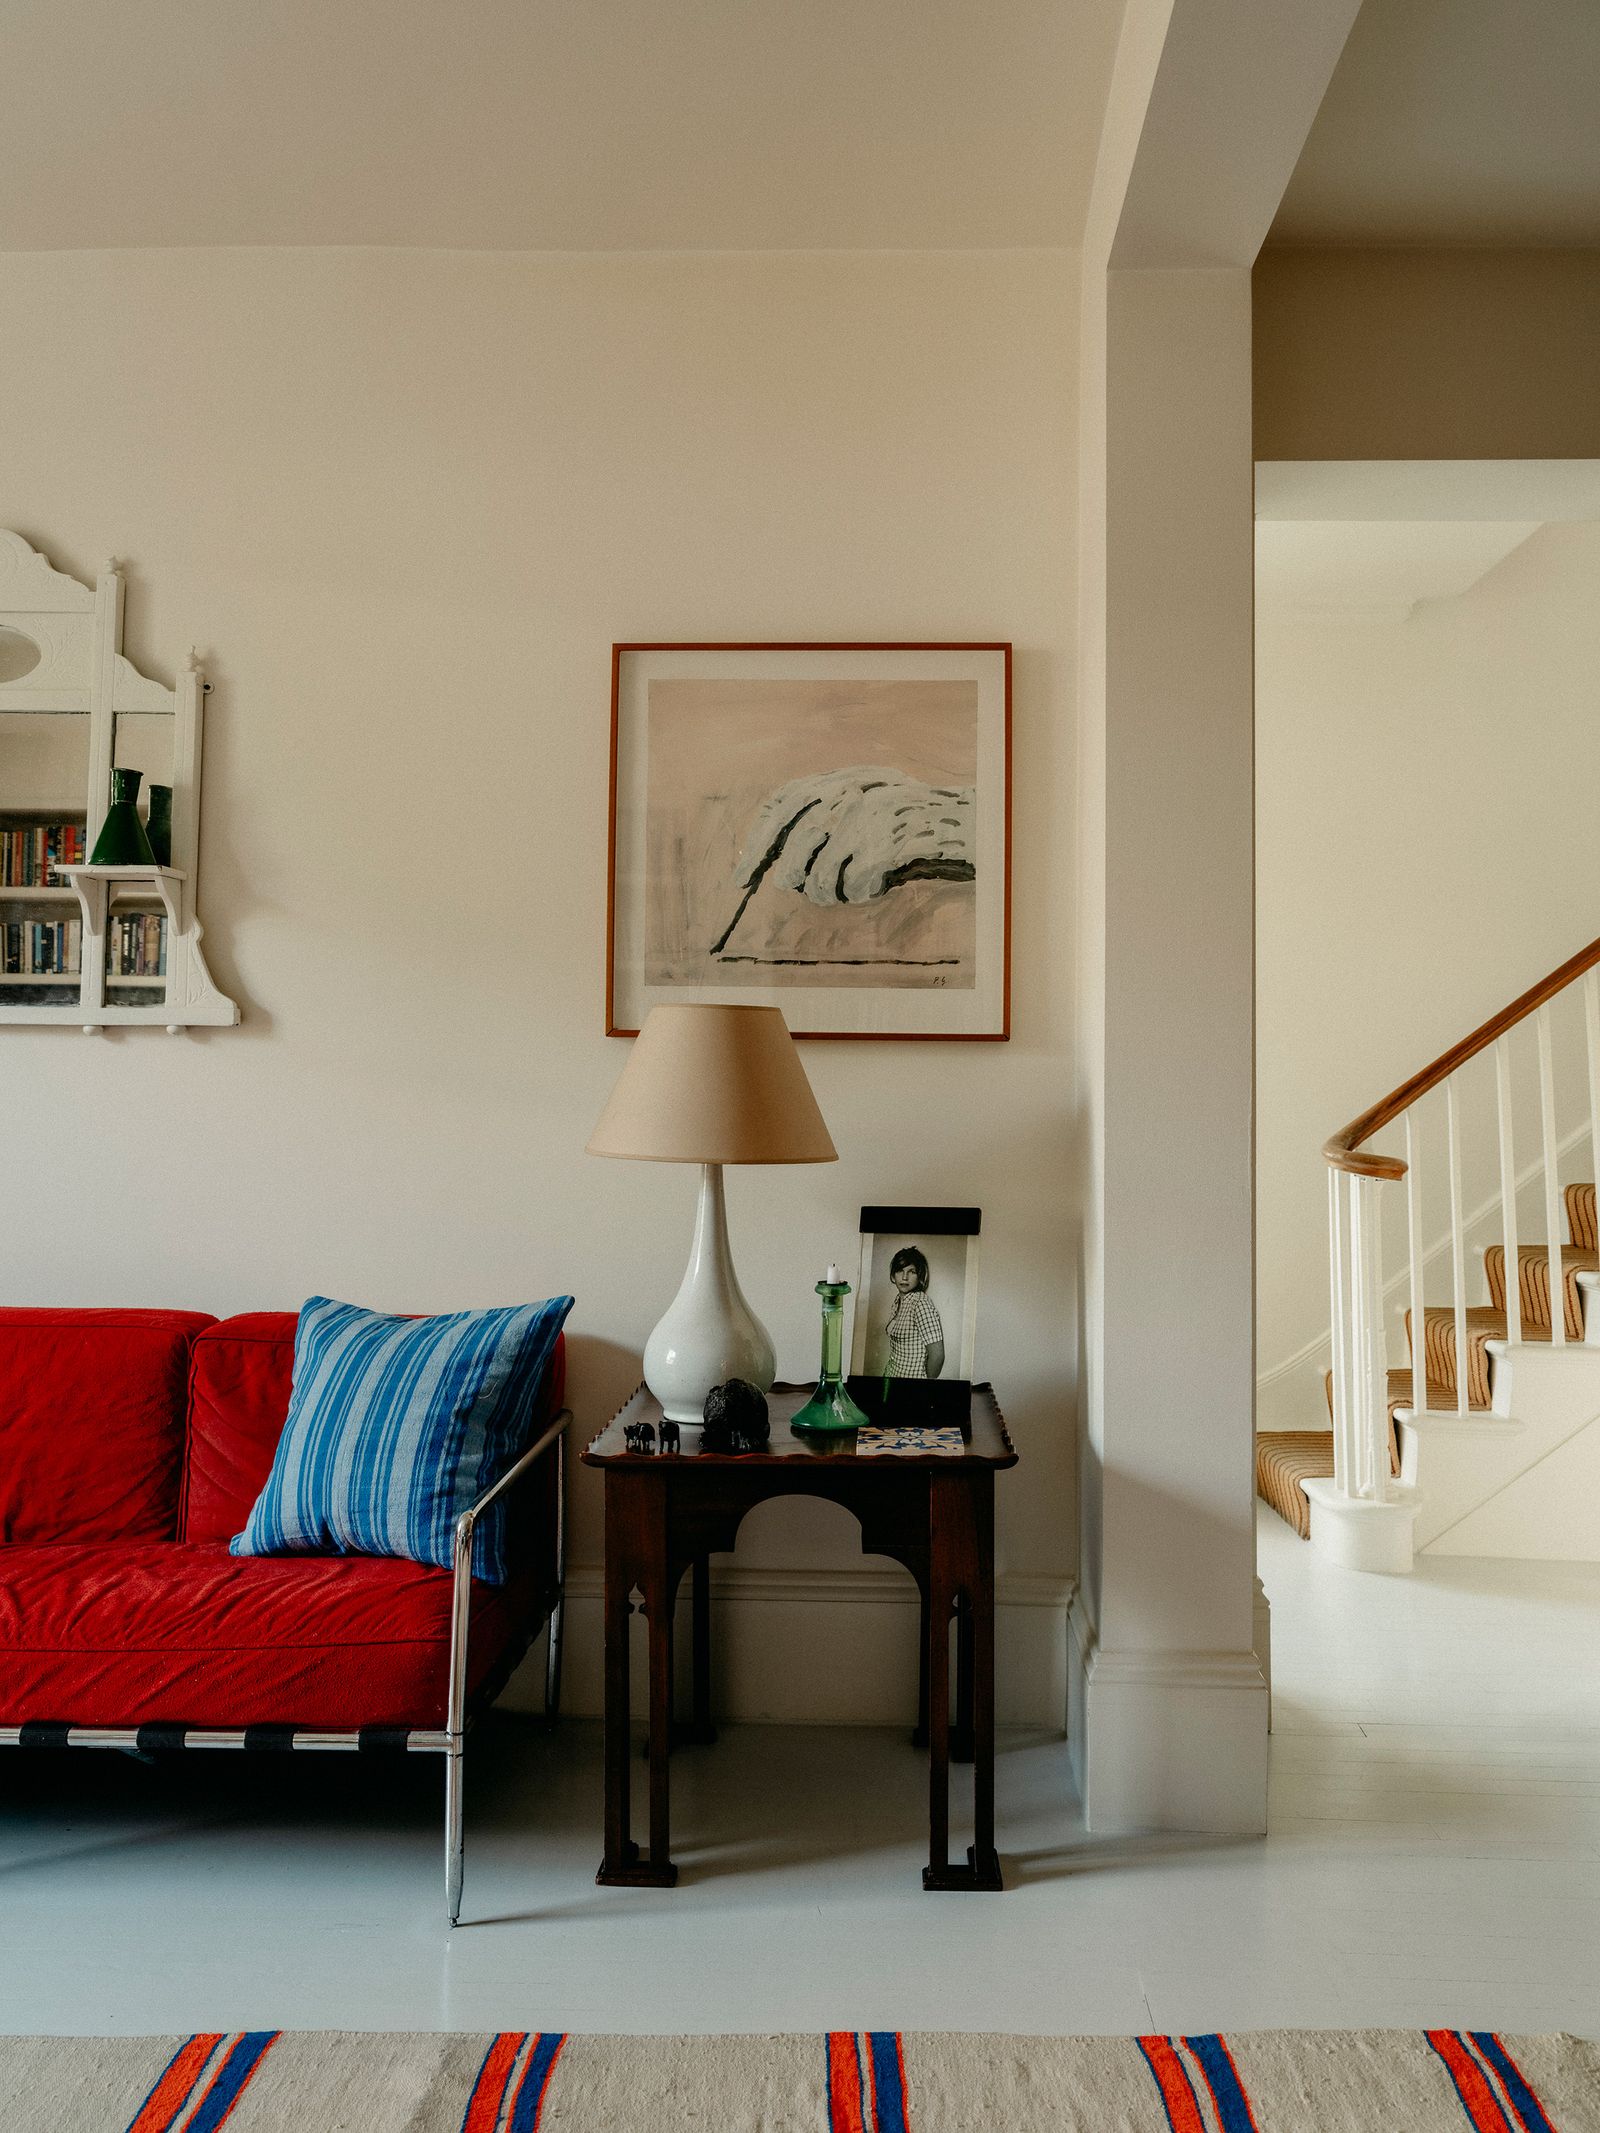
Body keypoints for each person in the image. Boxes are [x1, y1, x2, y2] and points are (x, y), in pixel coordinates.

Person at [884, 1246, 945, 1379]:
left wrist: (923, 1387)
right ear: (893, 1275)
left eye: (911, 1271)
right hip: (891, 1378)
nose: (905, 1277)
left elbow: (937, 1356)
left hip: (912, 1386)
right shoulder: (898, 1301)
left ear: (919, 1276)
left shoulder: (920, 1303)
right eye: (900, 1271)